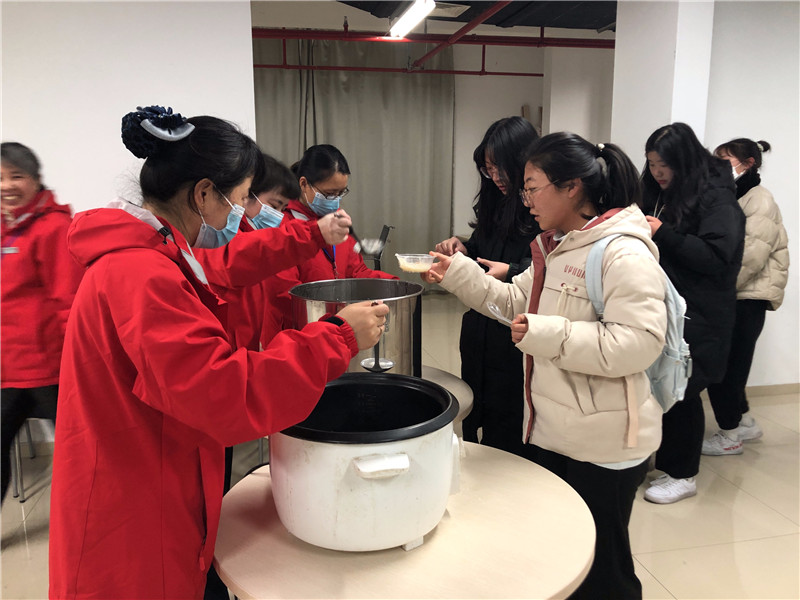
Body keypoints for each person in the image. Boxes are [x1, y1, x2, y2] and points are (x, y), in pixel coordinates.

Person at [48, 105, 389, 599]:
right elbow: (223, 390)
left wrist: (310, 238)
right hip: (134, 517)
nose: (244, 212)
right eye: (242, 197)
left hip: (154, 478)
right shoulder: (140, 274)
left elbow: (236, 260)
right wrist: (338, 336)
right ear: (204, 193)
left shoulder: (158, 252)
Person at [423, 132, 667, 599]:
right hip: (557, 429)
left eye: (532, 188)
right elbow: (513, 301)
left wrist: (545, 334)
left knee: (605, 570)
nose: (526, 200)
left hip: (604, 442)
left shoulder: (622, 252)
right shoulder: (556, 247)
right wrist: (458, 273)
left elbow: (638, 343)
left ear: (571, 187)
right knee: (564, 554)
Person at [639, 122, 745, 504]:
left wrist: (663, 233)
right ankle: (661, 462)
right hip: (669, 306)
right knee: (661, 387)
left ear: (684, 161)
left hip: (702, 312)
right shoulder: (661, 192)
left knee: (683, 390)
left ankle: (683, 475)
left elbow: (717, 257)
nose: (657, 172)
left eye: (664, 164)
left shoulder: (717, 198)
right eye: (652, 164)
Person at [433, 116, 540, 457]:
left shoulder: (540, 209)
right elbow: (483, 250)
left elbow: (550, 269)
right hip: (481, 324)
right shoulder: (495, 201)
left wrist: (511, 270)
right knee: (476, 404)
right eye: (488, 169)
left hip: (515, 330)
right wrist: (464, 249)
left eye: (500, 168)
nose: (495, 177)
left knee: (508, 422)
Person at [0, 142, 83, 503]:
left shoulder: (53, 228)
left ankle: (89, 518)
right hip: (9, 366)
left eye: (16, 176)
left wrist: (77, 361)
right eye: (0, 178)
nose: (6, 185)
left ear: (35, 180)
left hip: (50, 367)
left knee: (77, 452)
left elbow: (69, 300)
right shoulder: (5, 226)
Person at [701, 139, 789, 455]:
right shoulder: (735, 195)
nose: (718, 166)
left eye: (725, 160)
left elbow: (750, 256)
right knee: (733, 366)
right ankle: (745, 422)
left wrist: (712, 291)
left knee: (725, 369)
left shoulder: (759, 199)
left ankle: (730, 436)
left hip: (746, 296)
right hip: (738, 295)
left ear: (748, 163)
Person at [263, 144, 397, 345]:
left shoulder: (336, 223)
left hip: (333, 330)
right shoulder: (282, 225)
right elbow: (284, 295)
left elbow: (356, 272)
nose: (335, 201)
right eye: (329, 193)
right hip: (294, 335)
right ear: (304, 184)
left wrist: (393, 286)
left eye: (341, 193)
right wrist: (338, 317)